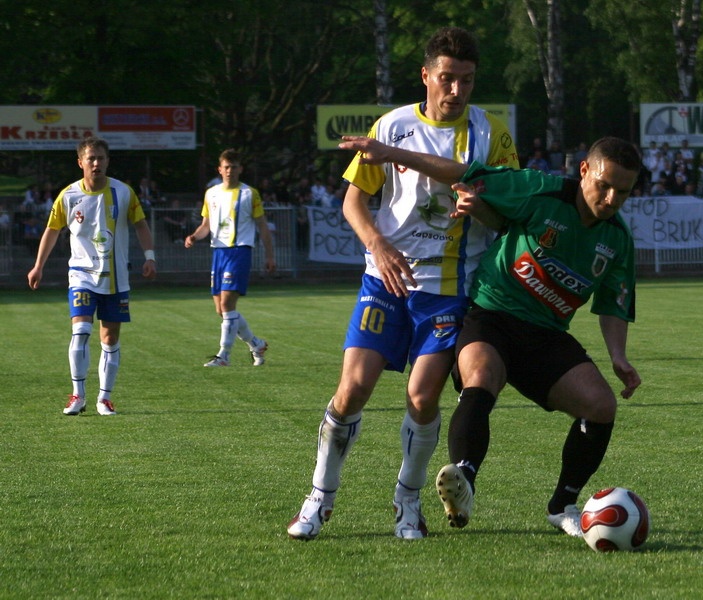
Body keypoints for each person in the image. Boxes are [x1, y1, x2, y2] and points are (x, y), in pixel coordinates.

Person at [337, 134, 643, 537]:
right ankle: (463, 478)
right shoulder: (540, 189)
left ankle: (562, 504)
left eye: (622, 192)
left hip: (547, 334)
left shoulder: (617, 239)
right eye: (603, 185)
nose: (610, 199)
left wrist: (618, 357)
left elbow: (612, 305)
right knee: (480, 376)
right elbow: (467, 173)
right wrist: (392, 154)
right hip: (491, 314)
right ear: (584, 169)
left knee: (601, 406)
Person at [286, 26, 520, 542]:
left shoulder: (491, 134)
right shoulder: (391, 127)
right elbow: (353, 201)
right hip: (384, 282)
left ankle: (407, 503)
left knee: (421, 397)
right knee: (353, 389)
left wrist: (482, 206)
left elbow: (510, 210)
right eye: (447, 78)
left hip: (449, 289)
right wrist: (378, 244)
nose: (456, 90)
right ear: (426, 76)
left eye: (466, 80)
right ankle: (319, 499)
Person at [26, 136, 157, 416]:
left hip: (116, 277)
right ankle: (78, 395)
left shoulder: (123, 192)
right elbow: (52, 230)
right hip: (81, 274)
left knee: (109, 339)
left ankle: (104, 398)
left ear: (108, 161)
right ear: (80, 162)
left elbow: (141, 224)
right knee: (81, 330)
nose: (96, 163)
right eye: (91, 158)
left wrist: (149, 256)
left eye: (101, 158)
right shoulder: (69, 195)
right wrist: (39, 265)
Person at [185, 148, 275, 367]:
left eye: (234, 167)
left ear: (240, 169)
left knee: (227, 304)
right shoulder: (211, 193)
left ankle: (223, 355)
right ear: (219, 169)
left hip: (239, 251)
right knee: (222, 310)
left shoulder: (249, 194)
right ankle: (256, 343)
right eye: (226, 167)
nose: (230, 171)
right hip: (219, 252)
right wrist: (194, 237)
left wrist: (270, 255)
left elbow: (262, 225)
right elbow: (206, 226)